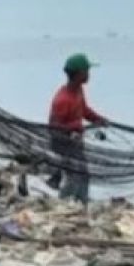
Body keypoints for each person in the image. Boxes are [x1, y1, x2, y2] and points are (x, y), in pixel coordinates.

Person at [47, 53, 108, 203]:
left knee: (84, 175)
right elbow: (53, 127)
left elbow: (84, 110)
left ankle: (82, 202)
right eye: (86, 71)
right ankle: (64, 204)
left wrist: (97, 118)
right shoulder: (62, 99)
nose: (89, 74)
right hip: (63, 145)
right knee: (73, 177)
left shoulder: (78, 90)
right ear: (79, 74)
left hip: (76, 143)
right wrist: (74, 127)